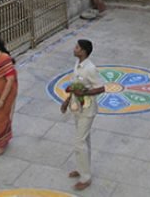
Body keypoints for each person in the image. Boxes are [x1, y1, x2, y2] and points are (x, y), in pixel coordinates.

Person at [60, 39, 105, 191]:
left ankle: (86, 178)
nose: (74, 49)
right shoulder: (78, 65)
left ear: (84, 51)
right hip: (77, 107)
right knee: (84, 140)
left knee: (79, 141)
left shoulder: (90, 69)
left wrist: (84, 92)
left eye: (77, 47)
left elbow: (100, 88)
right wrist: (67, 101)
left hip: (87, 109)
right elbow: (74, 85)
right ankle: (81, 169)